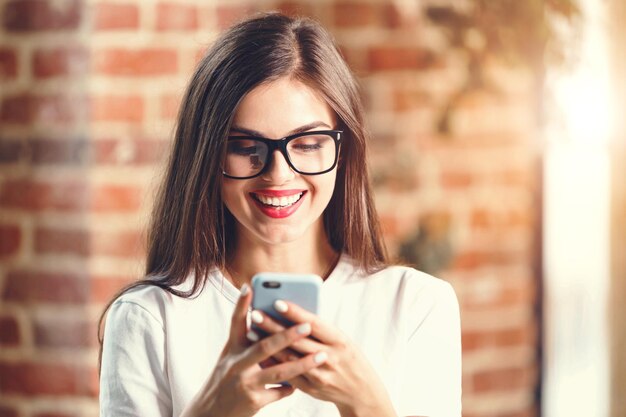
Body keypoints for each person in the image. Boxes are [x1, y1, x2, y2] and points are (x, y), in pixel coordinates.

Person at [98, 12, 462, 417]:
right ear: (205, 155)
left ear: (344, 151)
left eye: (307, 143)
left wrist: (368, 404)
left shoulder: (416, 306)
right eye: (243, 146)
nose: (278, 174)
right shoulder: (148, 318)